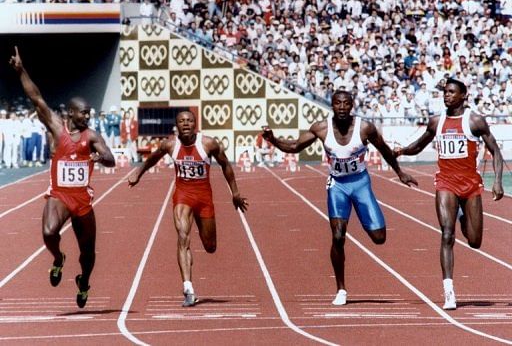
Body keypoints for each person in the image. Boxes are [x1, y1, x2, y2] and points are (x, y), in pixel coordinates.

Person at [262, 90, 418, 306]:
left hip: (360, 183)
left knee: (379, 237)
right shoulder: (321, 128)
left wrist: (400, 172)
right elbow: (294, 146)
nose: (342, 107)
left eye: (346, 103)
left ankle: (366, 219)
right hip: (337, 185)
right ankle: (341, 289)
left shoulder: (364, 127)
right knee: (337, 236)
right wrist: (273, 140)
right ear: (332, 105)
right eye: (338, 103)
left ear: (352, 105)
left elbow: (384, 149)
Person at [9, 47, 116, 308]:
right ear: (71, 113)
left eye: (89, 113)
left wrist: (99, 157)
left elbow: (110, 158)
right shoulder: (57, 128)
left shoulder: (91, 136)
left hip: (82, 199)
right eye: (84, 113)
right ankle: (58, 259)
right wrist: (21, 70)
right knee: (48, 232)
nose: (88, 116)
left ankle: (84, 282)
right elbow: (37, 99)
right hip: (59, 194)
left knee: (88, 253)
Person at [393, 78, 504, 310]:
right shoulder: (436, 121)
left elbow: (495, 150)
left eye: (452, 92)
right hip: (446, 182)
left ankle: (464, 217)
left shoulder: (474, 121)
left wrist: (498, 182)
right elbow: (419, 145)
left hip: (471, 184)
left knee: (475, 241)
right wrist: (402, 150)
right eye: (445, 92)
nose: (447, 96)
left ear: (464, 95)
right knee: (446, 234)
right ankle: (449, 291)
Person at [128, 110, 248, 307]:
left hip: (204, 198)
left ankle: (190, 263)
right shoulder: (170, 145)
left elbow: (226, 165)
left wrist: (234, 193)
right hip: (183, 196)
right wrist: (138, 174)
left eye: (189, 121)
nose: (185, 124)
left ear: (195, 124)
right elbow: (152, 159)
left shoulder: (208, 144)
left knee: (210, 246)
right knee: (183, 236)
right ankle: (188, 288)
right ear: (177, 125)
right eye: (182, 121)